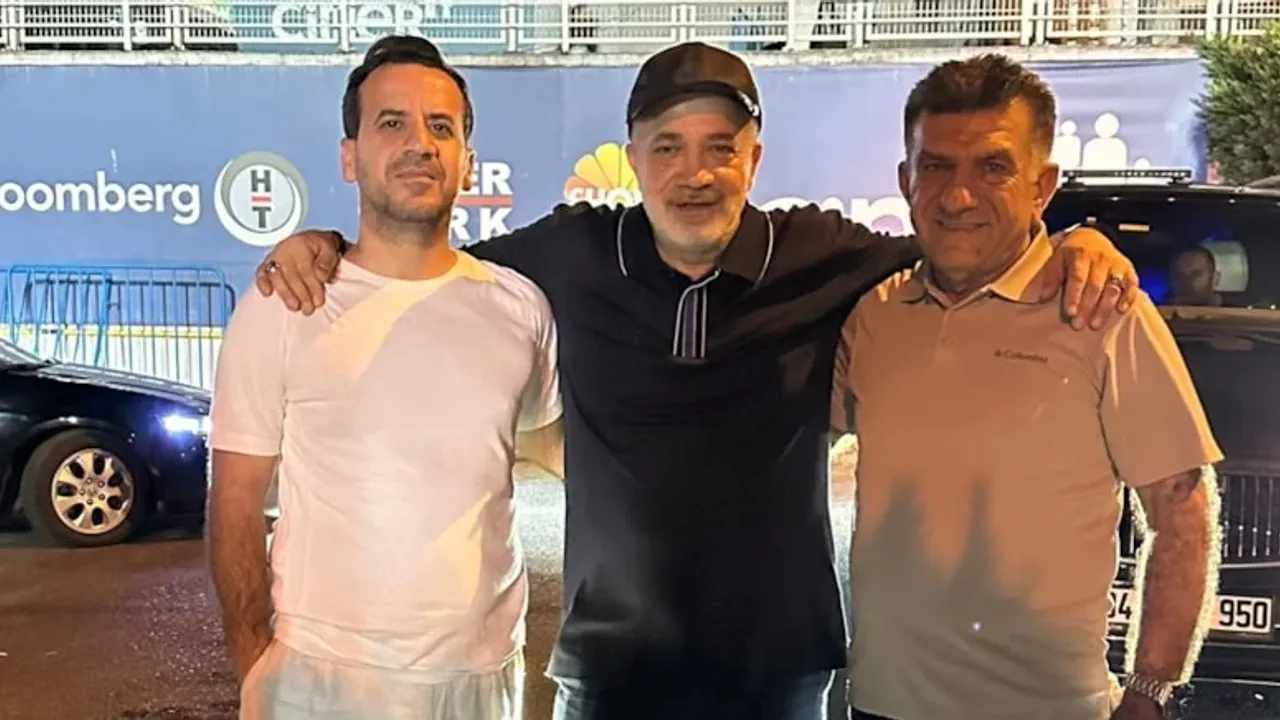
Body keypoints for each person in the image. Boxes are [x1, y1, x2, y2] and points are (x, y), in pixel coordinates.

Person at [251, 41, 1139, 719]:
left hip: (778, 675)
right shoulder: (571, 256)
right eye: (668, 146)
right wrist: (323, 245)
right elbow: (425, 260)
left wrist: (1073, 241)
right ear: (633, 156)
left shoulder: (819, 255)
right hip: (609, 673)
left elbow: (967, 240)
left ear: (754, 157)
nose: (695, 173)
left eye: (721, 146)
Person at [831, 54, 1222, 720]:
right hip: (880, 705)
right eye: (937, 166)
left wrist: (1151, 691)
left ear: (1042, 187)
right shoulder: (875, 317)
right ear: (905, 180)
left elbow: (1181, 509)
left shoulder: (1103, 312)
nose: (958, 197)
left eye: (993, 167)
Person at [206, 36, 563, 720]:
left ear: (467, 160)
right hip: (321, 681)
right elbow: (235, 500)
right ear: (351, 156)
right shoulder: (287, 303)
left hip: (482, 680)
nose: (419, 144)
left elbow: (551, 449)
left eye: (441, 127)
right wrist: (254, 661)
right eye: (391, 123)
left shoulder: (520, 307)